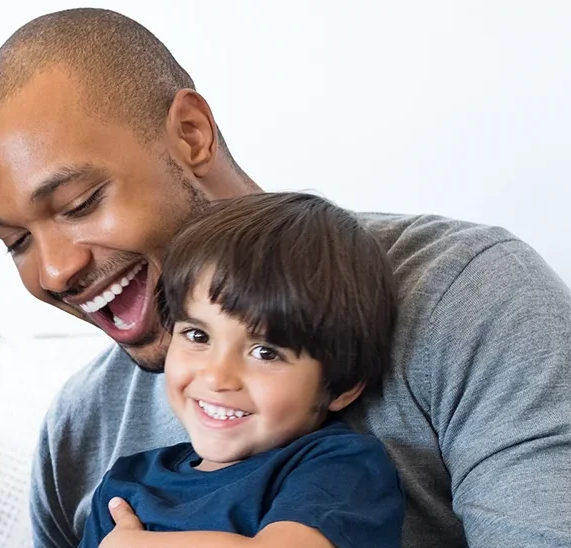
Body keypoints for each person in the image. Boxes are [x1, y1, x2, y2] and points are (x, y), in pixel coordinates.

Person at [0, 8, 571, 547]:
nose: (55, 271)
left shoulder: (470, 299)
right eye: (17, 243)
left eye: (80, 204)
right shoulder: (80, 429)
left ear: (191, 135)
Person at [79, 193, 402, 548]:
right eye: (197, 335)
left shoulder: (338, 467)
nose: (217, 377)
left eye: (265, 352)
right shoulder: (126, 486)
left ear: (344, 386)